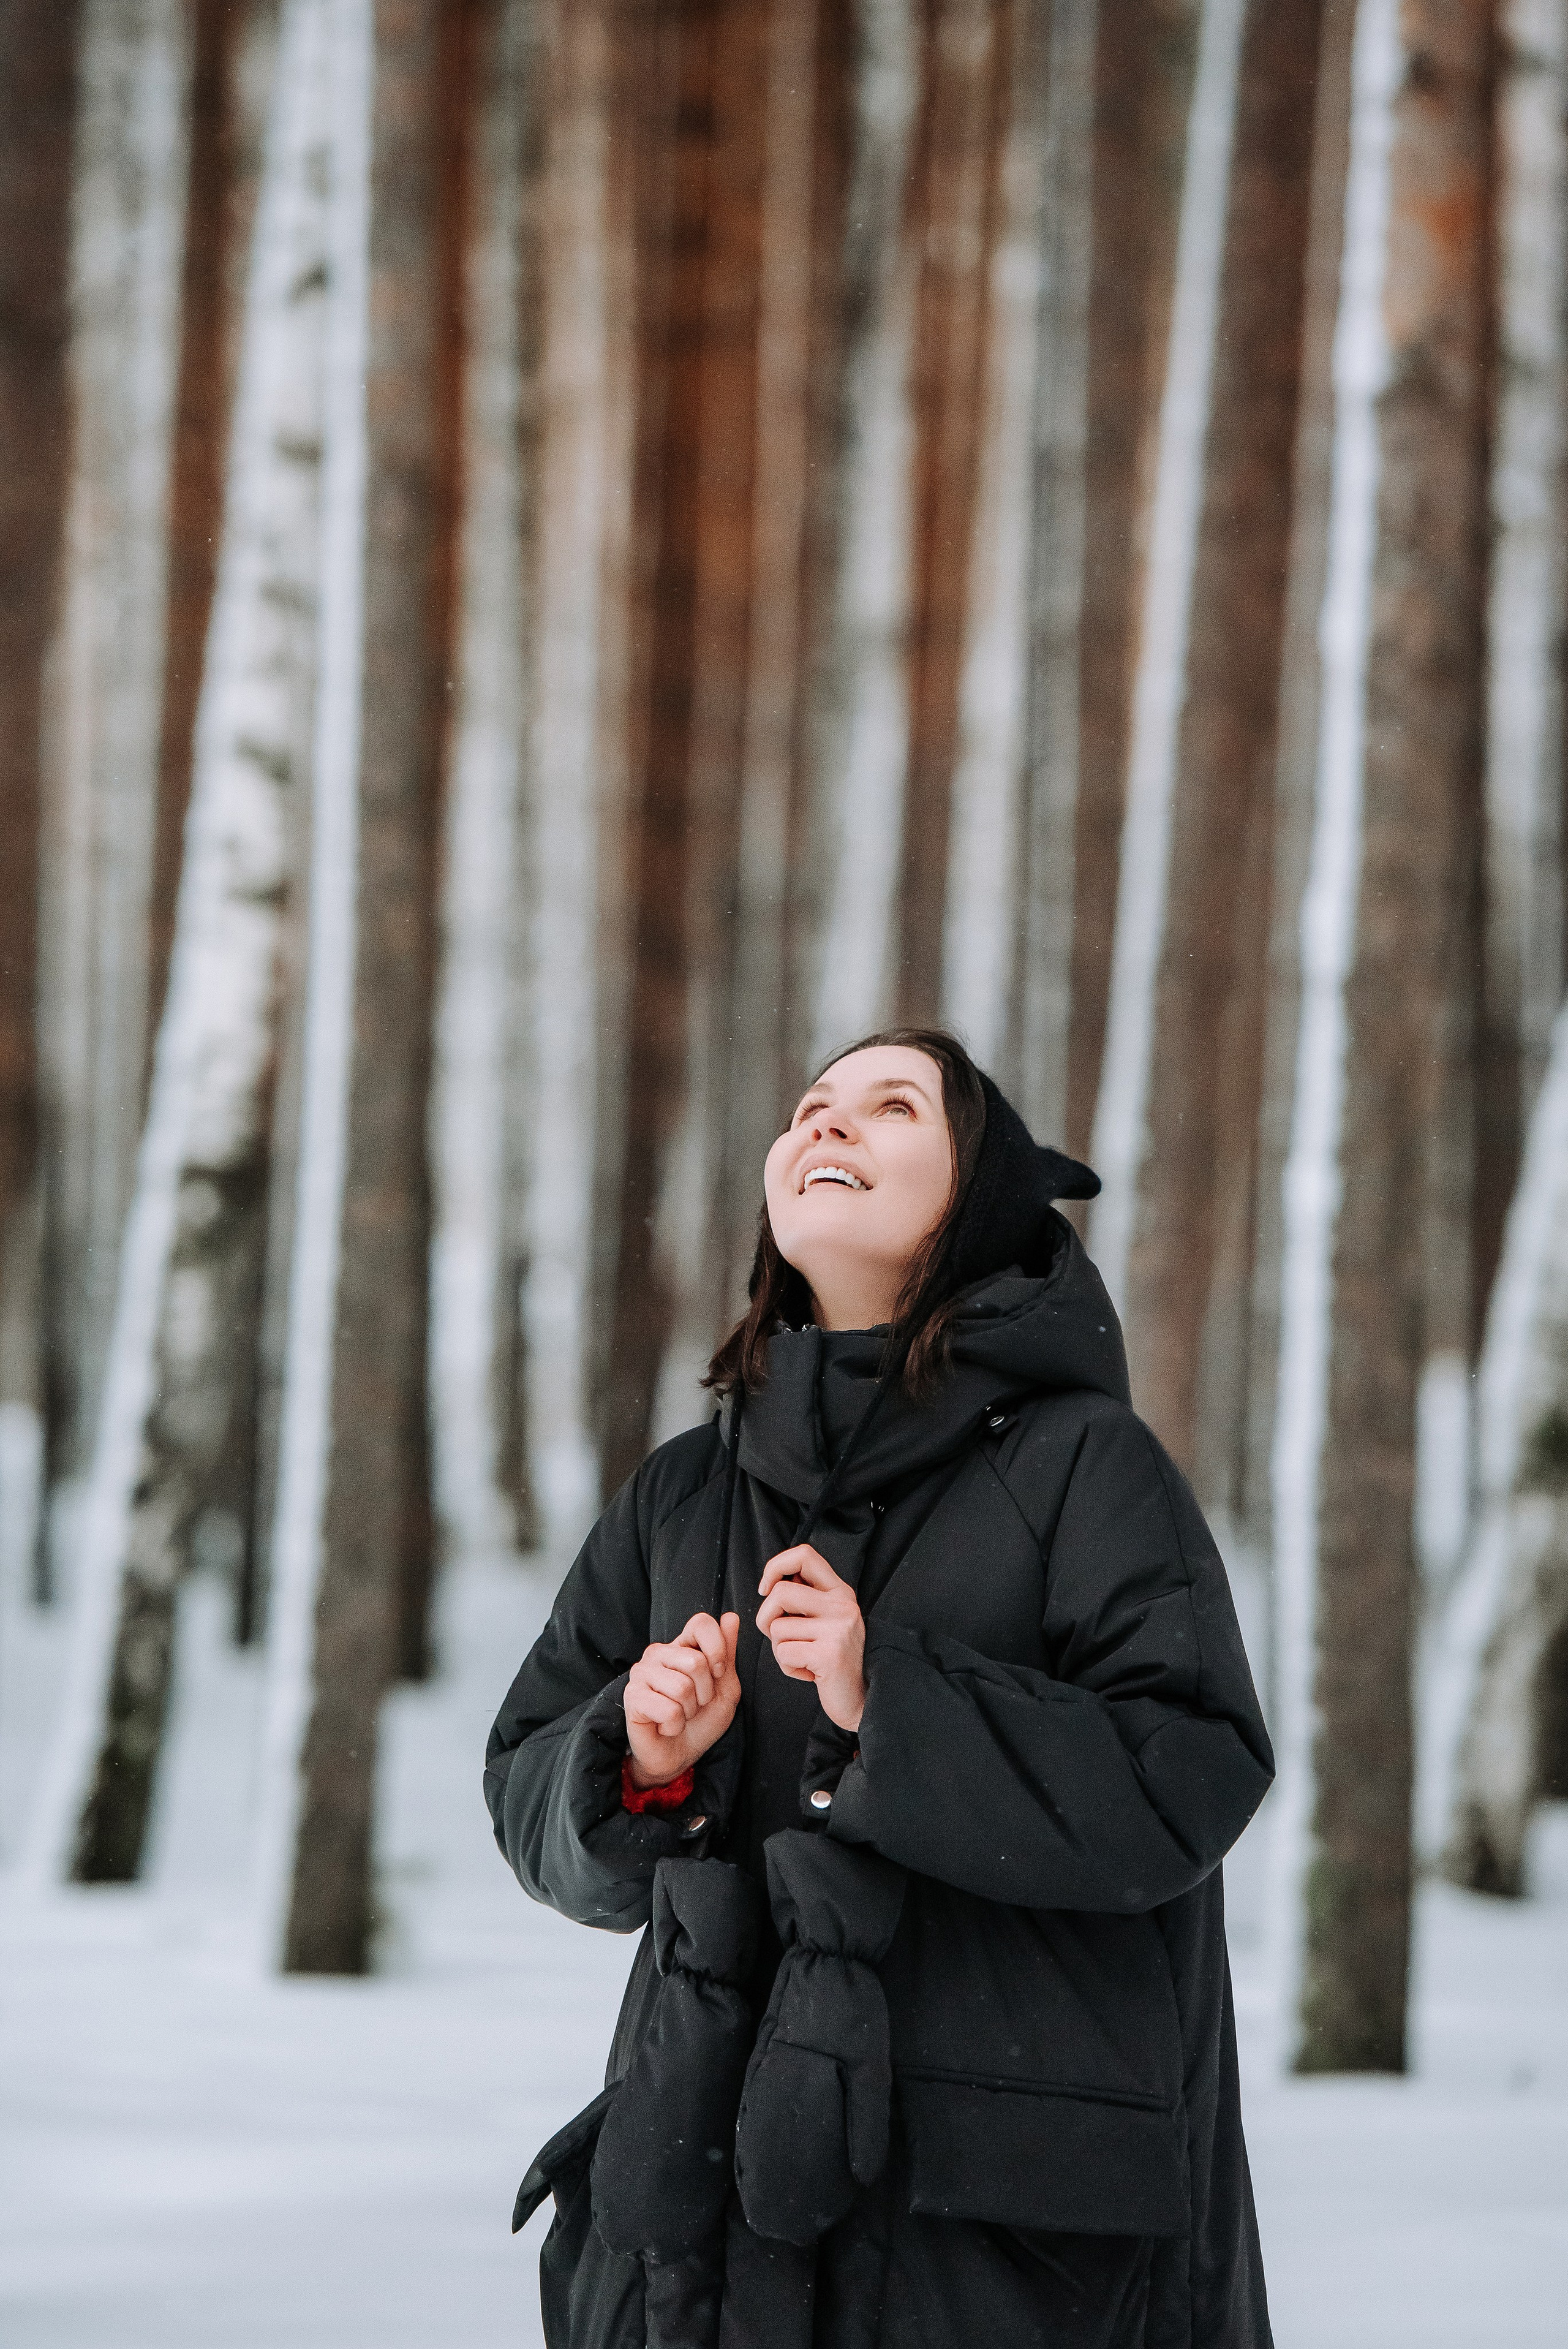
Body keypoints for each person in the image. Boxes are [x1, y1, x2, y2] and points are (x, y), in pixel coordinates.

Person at [485, 1027, 1275, 2349]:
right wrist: (637, 1756)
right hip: (701, 2234)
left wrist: (885, 1706)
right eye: (808, 1108)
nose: (827, 1127)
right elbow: (524, 1792)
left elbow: (1185, 1774)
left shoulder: (1087, 1468)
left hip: (996, 2250)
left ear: (977, 1204)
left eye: (890, 1106)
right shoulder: (683, 1493)